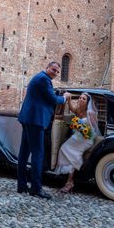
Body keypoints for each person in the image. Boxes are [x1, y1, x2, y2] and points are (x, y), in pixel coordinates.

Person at [17, 61, 70, 200]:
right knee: (38, 154)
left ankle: (22, 185)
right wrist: (64, 98)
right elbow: (53, 99)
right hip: (35, 120)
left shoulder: (41, 78)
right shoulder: (43, 79)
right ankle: (36, 188)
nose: (56, 73)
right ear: (47, 68)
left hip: (29, 118)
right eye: (54, 70)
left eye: (58, 72)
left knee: (24, 153)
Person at [56, 93, 100, 193]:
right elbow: (71, 108)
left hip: (87, 138)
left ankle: (69, 182)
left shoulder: (90, 113)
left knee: (71, 151)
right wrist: (69, 98)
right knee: (64, 148)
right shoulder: (77, 109)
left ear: (87, 102)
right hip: (77, 137)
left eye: (83, 99)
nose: (80, 99)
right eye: (80, 97)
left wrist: (85, 129)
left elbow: (94, 128)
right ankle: (69, 182)